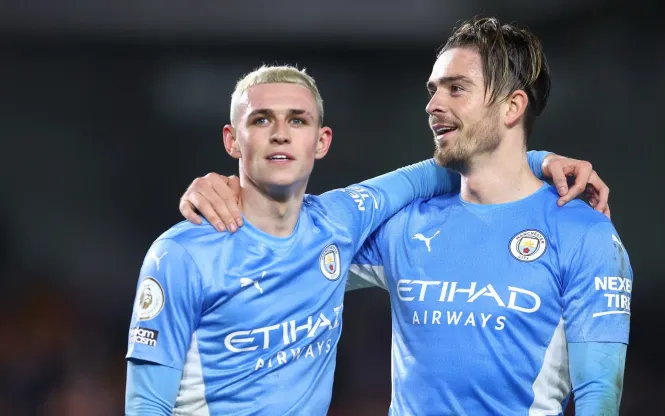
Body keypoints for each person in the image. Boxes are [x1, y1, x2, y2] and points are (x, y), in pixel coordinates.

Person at [180, 17, 631, 416]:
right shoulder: (406, 225)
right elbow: (289, 238)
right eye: (433, 90)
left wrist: (533, 160)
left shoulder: (583, 233)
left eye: (456, 89)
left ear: (512, 107)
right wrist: (230, 191)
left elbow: (598, 395)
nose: (434, 105)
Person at [124, 64, 563, 415]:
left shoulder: (339, 221)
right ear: (232, 140)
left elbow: (432, 173)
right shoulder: (180, 254)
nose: (280, 133)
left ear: (321, 141)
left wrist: (537, 162)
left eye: (297, 120)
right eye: (261, 120)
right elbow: (147, 403)